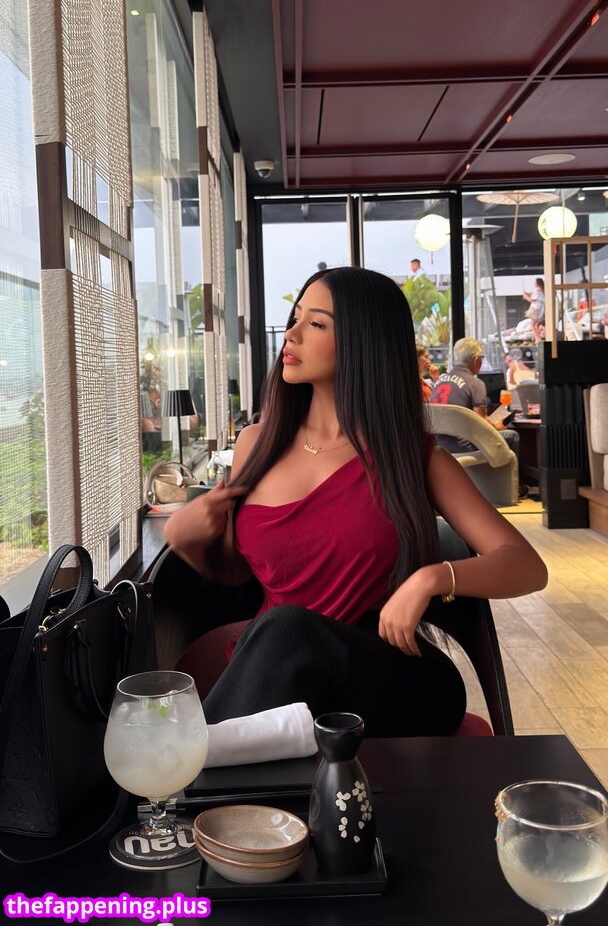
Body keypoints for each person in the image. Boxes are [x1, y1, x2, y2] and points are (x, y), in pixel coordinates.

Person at [165, 269, 546, 737]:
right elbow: (243, 574)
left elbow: (527, 566)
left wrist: (433, 577)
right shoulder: (255, 445)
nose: (291, 335)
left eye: (315, 324)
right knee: (284, 633)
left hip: (389, 676)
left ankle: (185, 764)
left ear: (364, 342)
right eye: (295, 319)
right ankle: (204, 759)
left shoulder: (414, 459)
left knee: (289, 630)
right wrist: (191, 542)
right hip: (278, 670)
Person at [430, 338, 525, 493]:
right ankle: (511, 489)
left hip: (438, 444)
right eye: (481, 358)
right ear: (475, 360)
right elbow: (481, 425)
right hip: (463, 444)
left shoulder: (440, 381)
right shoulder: (475, 384)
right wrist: (496, 426)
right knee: (512, 436)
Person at [522, 278, 545, 342]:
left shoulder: (537, 291)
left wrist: (525, 296)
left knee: (532, 325)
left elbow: (530, 300)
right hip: (538, 309)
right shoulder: (541, 291)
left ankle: (538, 338)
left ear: (537, 283)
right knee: (536, 324)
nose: (534, 283)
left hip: (535, 309)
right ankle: (538, 337)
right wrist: (527, 295)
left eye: (535, 282)